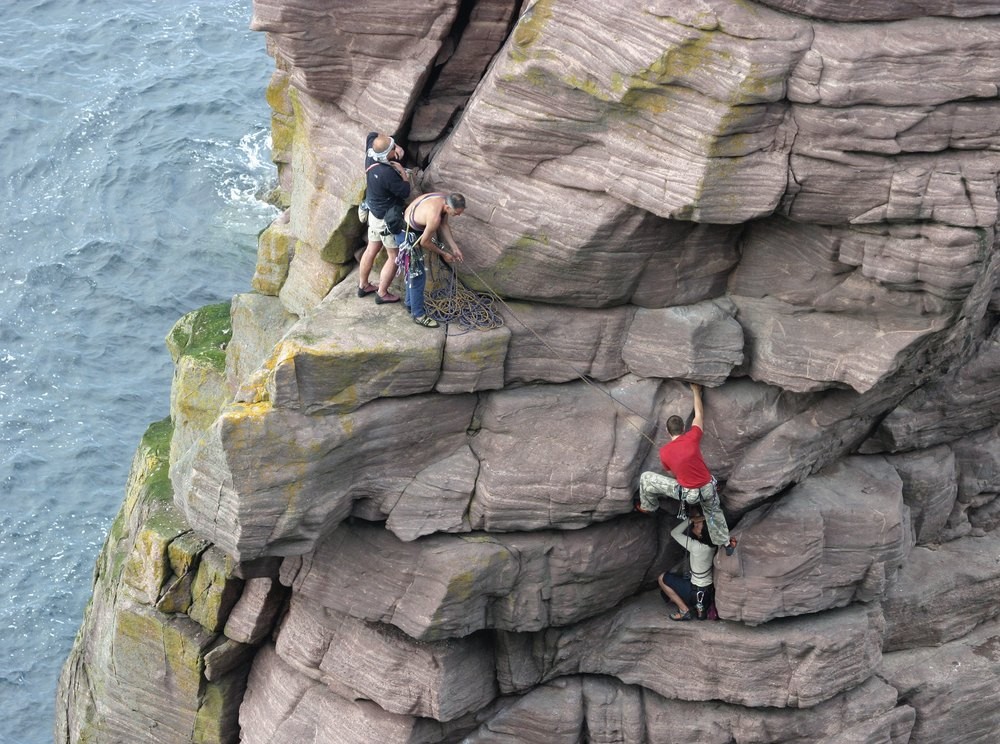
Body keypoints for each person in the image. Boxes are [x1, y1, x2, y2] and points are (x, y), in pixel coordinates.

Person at [636, 383, 738, 555]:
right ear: (683, 429)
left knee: (646, 477)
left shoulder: (664, 452)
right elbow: (699, 415)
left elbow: (672, 474)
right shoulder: (692, 437)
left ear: (669, 432)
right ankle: (726, 543)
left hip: (687, 493)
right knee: (714, 512)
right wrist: (696, 392)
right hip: (707, 489)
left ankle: (648, 506)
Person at [397, 192, 466, 328]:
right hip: (407, 237)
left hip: (407, 228)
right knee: (418, 276)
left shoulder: (442, 199)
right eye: (457, 213)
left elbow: (444, 225)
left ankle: (410, 304)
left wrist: (454, 248)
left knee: (412, 273)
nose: (458, 215)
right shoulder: (434, 217)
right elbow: (425, 242)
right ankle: (418, 315)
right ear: (447, 207)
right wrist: (443, 254)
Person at [357, 132, 411, 304]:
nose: (396, 148)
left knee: (371, 249)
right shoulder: (386, 173)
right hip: (386, 220)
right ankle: (382, 293)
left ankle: (363, 285)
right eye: (393, 147)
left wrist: (389, 143)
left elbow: (372, 135)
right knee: (394, 256)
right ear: (387, 153)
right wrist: (403, 172)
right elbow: (405, 191)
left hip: (373, 214)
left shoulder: (370, 155)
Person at [657, 505, 716, 620]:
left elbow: (674, 533)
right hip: (707, 594)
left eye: (698, 525)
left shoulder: (697, 547)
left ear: (701, 534)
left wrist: (690, 520)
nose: (696, 523)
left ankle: (684, 610)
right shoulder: (713, 544)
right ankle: (697, 608)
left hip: (695, 593)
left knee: (662, 578)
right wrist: (703, 518)